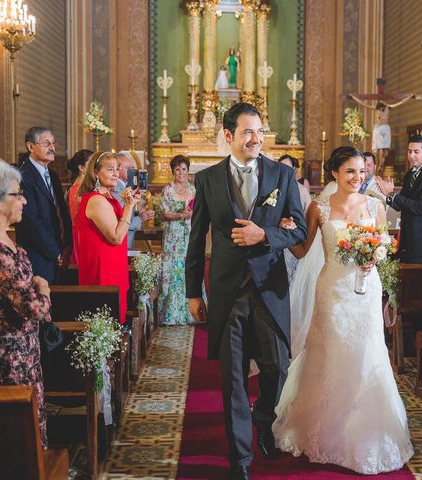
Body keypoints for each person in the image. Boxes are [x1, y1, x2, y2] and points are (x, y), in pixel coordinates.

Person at [272, 146, 414, 474]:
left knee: (367, 354)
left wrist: (373, 259)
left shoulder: (376, 206)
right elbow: (302, 248)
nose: (357, 177)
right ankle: (323, 430)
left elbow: (382, 245)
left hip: (365, 293)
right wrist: (282, 229)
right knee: (331, 355)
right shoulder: (319, 208)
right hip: (332, 292)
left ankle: (366, 433)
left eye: (361, 171)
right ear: (334, 172)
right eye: (350, 171)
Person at [185, 102, 307, 480]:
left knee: (277, 367)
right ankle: (240, 461)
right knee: (233, 378)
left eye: (259, 131)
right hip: (227, 290)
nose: (256, 138)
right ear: (228, 136)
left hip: (269, 287)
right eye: (247, 132)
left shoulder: (281, 176)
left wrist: (265, 235)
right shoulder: (207, 180)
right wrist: (193, 292)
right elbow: (195, 239)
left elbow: (300, 231)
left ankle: (264, 418)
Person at [0, 160, 51, 447]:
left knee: (29, 427)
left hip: (23, 351)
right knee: (16, 438)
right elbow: (35, 309)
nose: (23, 200)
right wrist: (43, 289)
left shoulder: (5, 242)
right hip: (6, 358)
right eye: (17, 194)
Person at [77, 152, 141, 324]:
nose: (116, 174)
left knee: (115, 318)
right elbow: (116, 237)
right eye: (110, 169)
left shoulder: (109, 197)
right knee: (106, 317)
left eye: (117, 169)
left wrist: (128, 203)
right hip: (102, 269)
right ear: (96, 173)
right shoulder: (96, 201)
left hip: (114, 264)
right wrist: (128, 206)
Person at [376, 134, 422, 263]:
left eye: (416, 152)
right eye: (409, 151)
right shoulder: (410, 173)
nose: (411, 155)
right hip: (409, 239)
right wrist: (388, 194)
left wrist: (392, 195)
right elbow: (400, 204)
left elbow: (420, 207)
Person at [15, 127, 72, 283]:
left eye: (53, 143)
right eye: (47, 143)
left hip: (59, 253)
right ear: (30, 146)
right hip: (38, 254)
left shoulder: (53, 176)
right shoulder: (23, 176)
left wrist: (67, 245)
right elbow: (30, 221)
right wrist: (55, 252)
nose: (52, 148)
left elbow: (62, 212)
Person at [158, 155, 197, 326]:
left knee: (188, 269)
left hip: (189, 234)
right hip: (172, 236)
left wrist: (192, 215)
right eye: (177, 169)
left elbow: (200, 211)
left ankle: (192, 312)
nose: (181, 173)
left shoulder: (194, 190)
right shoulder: (168, 190)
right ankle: (169, 314)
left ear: (188, 171)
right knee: (173, 270)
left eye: (184, 169)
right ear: (173, 171)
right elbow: (163, 213)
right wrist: (182, 215)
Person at [278, 154, 311, 286]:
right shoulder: (273, 188)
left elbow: (308, 215)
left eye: (287, 168)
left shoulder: (302, 190)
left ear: (294, 170)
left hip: (294, 241)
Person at [112, 152, 154, 249]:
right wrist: (140, 219)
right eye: (129, 169)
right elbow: (119, 221)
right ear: (118, 169)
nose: (132, 172)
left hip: (127, 240)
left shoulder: (126, 187)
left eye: (132, 168)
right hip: (121, 241)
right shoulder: (116, 189)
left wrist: (138, 213)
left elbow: (126, 212)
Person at [66, 149, 93, 265]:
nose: (95, 168)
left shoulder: (76, 187)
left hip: (80, 234)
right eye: (91, 164)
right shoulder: (81, 190)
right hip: (83, 236)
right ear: (81, 168)